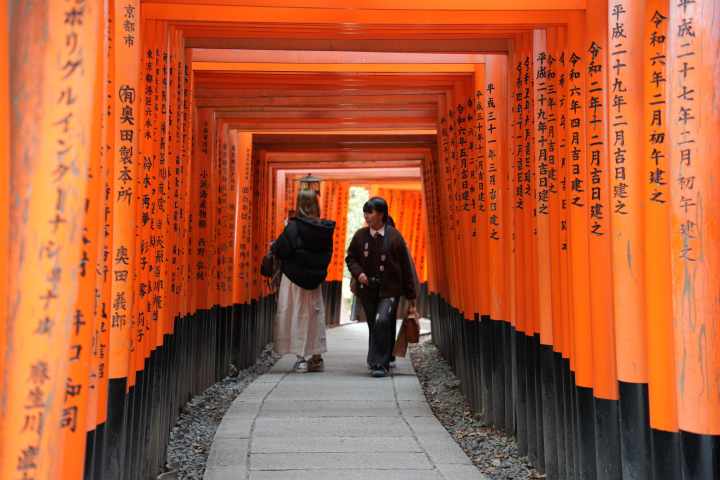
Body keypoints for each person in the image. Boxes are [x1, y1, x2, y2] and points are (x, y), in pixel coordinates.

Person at [345, 196, 417, 378]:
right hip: (367, 290)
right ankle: (378, 357)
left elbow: (405, 266)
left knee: (382, 320)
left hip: (390, 290)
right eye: (365, 212)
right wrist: (359, 274)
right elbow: (350, 257)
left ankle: (380, 363)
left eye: (370, 212)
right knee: (374, 324)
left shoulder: (394, 237)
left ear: (382, 214)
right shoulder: (360, 235)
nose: (366, 216)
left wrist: (411, 295)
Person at [271, 189, 336, 373]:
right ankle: (316, 357)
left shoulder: (293, 227)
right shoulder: (324, 229)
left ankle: (301, 358)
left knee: (297, 314)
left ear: (299, 204)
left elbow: (282, 249)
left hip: (294, 280)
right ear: (316, 204)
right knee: (314, 315)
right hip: (314, 281)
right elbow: (327, 254)